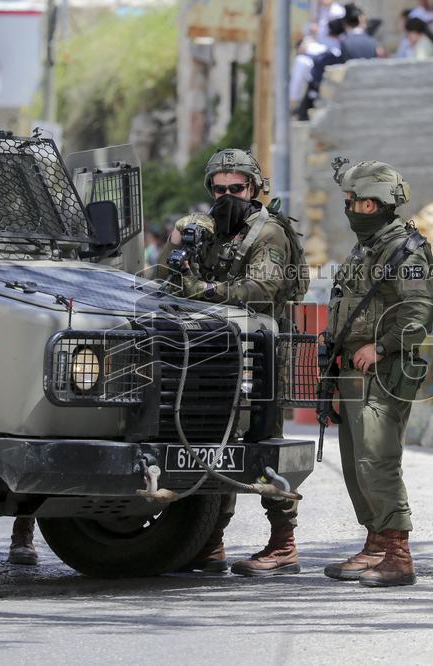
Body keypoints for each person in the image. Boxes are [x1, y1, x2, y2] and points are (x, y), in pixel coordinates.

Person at [159, 149, 308, 577]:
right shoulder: (213, 231)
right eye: (219, 189)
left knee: (261, 442)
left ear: (255, 188)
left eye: (237, 189)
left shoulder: (269, 233)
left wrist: (201, 289)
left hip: (260, 354)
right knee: (212, 442)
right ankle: (210, 540)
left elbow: (261, 288)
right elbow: (172, 280)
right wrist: (177, 245)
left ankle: (284, 543)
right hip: (213, 351)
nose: (228, 196)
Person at [320, 161, 433, 587]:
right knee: (357, 463)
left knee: (379, 460)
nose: (348, 208)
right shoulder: (368, 247)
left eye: (351, 201)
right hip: (353, 371)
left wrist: (382, 346)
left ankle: (398, 555)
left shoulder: (405, 250)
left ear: (372, 203)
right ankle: (375, 545)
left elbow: (419, 311)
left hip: (383, 372)